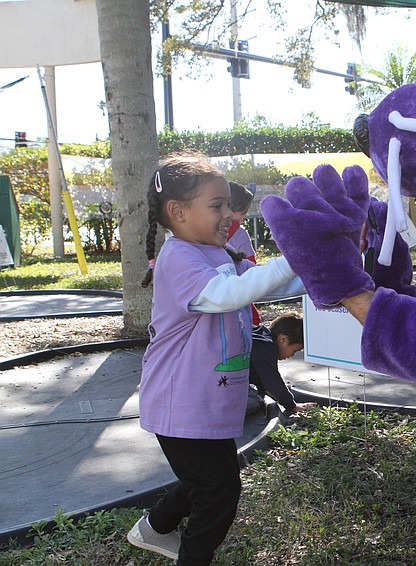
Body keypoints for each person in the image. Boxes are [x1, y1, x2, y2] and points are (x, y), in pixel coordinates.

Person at [128, 150, 305, 565]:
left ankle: (153, 528)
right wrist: (292, 258)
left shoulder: (215, 252)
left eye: (228, 204)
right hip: (180, 403)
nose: (229, 214)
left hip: (205, 401)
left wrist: (320, 267)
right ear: (177, 211)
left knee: (204, 480)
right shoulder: (178, 258)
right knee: (219, 489)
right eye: (217, 205)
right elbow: (228, 296)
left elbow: (261, 287)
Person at [249, 313, 315, 413]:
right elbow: (272, 380)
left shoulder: (260, 335)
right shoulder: (266, 347)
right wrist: (292, 406)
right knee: (255, 401)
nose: (292, 355)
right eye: (294, 350)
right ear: (283, 340)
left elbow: (261, 375)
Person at [227, 181, 261, 324]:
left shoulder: (203, 231)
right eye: (244, 212)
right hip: (240, 296)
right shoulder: (240, 234)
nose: (244, 217)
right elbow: (252, 266)